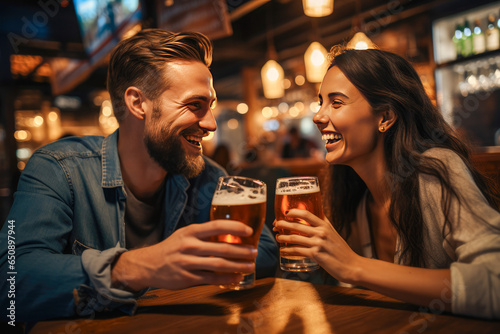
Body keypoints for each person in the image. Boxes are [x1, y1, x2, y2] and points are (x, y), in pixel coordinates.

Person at [0, 29, 277, 323]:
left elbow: (266, 252)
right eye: (194, 105)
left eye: (210, 106)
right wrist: (135, 268)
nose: (210, 124)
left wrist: (189, 266)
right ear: (137, 103)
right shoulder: (59, 168)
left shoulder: (206, 175)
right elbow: (10, 283)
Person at [274, 47, 500, 319]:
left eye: (336, 103)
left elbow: (494, 283)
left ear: (385, 117)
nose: (318, 116)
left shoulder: (437, 170)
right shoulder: (356, 201)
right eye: (320, 102)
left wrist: (354, 266)